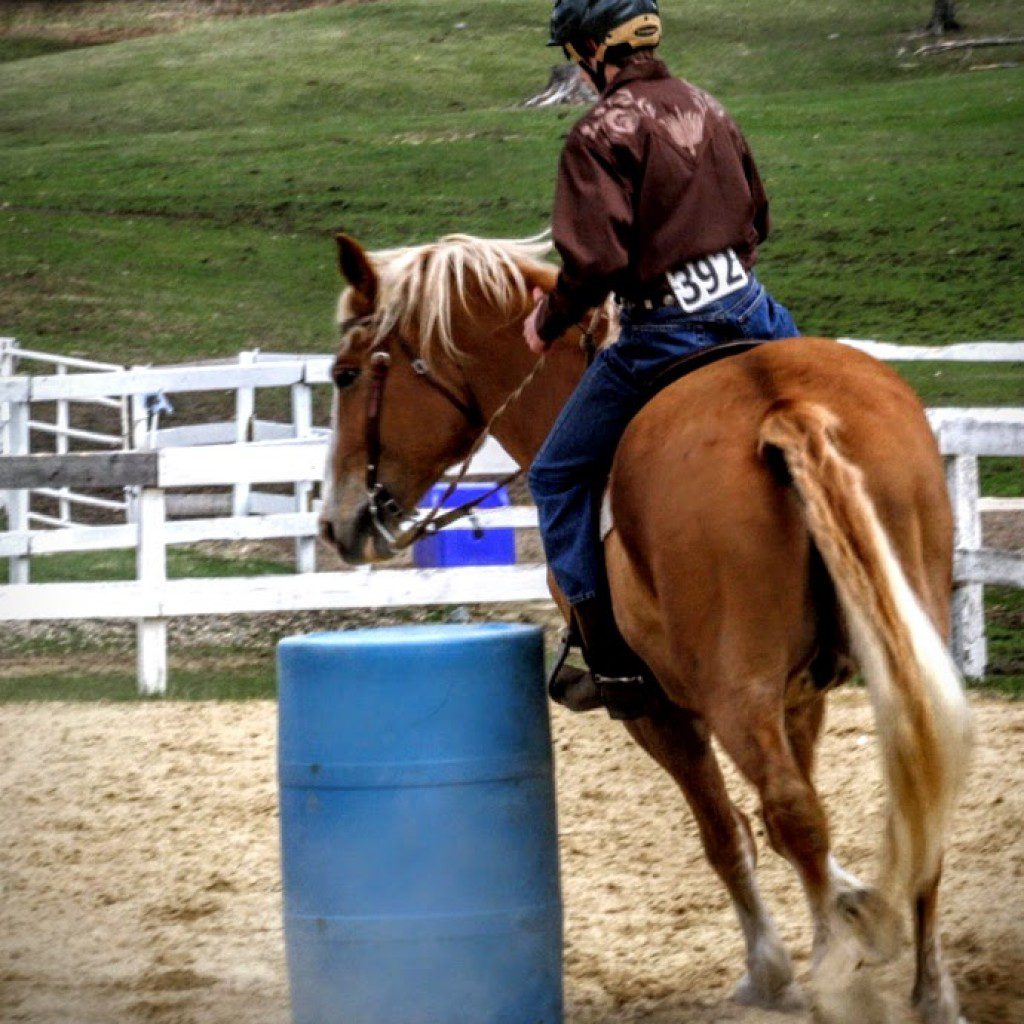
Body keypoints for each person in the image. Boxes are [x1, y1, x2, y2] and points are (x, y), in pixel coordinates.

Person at [525, 0, 800, 720]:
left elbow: (597, 260)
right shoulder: (711, 107)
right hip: (754, 311)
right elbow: (759, 218)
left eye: (573, 53)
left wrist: (548, 318)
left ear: (591, 49)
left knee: (555, 475)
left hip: (662, 333)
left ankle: (604, 654)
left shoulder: (597, 133)